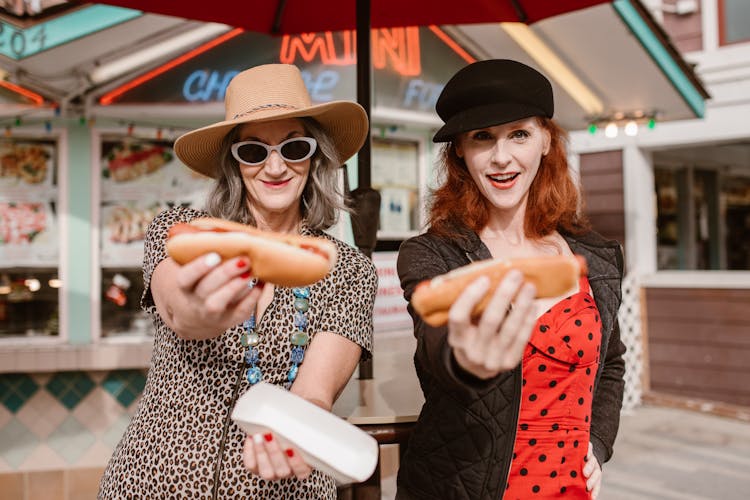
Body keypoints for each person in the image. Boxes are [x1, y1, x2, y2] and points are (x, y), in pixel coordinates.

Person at [99, 64, 377, 499]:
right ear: (233, 161)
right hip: (153, 482)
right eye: (253, 151)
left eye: (294, 147)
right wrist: (201, 313)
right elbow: (177, 309)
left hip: (283, 487)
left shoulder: (346, 269)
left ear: (315, 155)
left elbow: (315, 393)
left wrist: (296, 431)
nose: (275, 166)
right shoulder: (184, 233)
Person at [395, 59, 626, 500]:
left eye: (518, 133)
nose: (502, 158)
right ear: (459, 149)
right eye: (483, 137)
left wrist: (597, 442)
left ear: (545, 140)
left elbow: (611, 364)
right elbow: (436, 346)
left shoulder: (595, 255)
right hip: (460, 487)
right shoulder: (432, 254)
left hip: (567, 490)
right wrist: (470, 359)